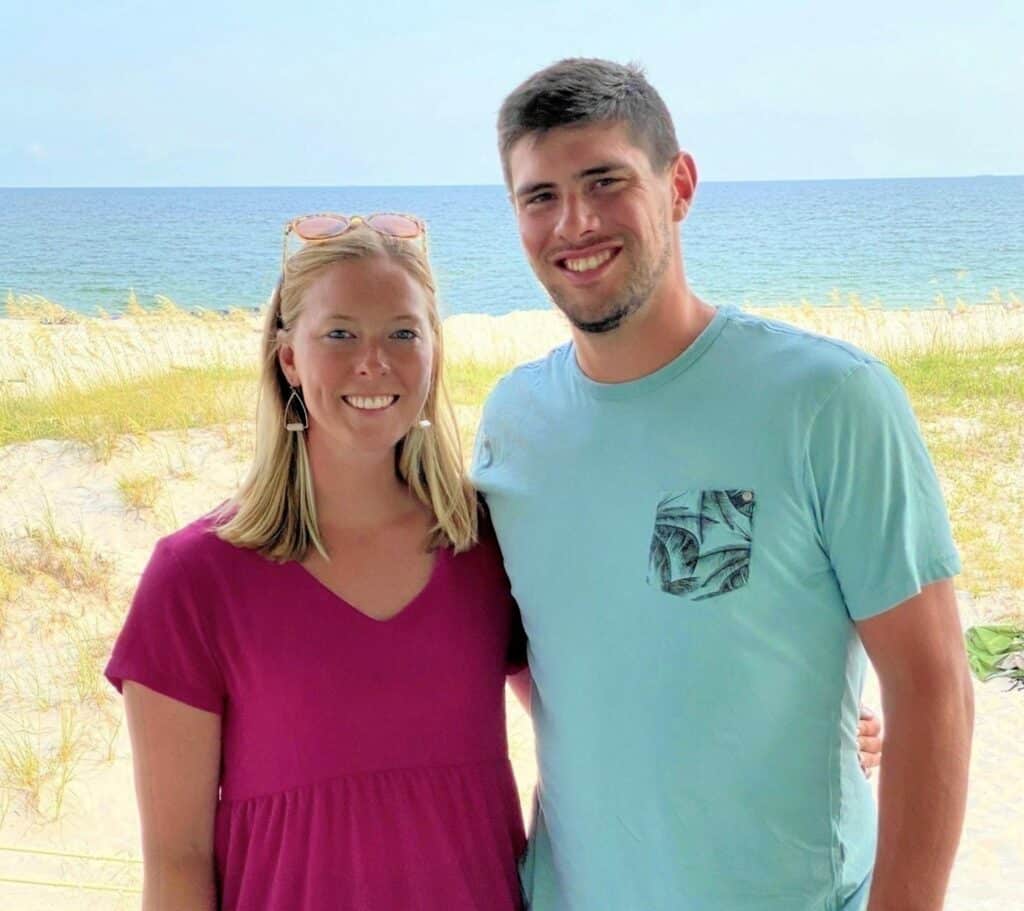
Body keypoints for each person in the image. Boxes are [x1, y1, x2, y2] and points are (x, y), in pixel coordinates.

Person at [472, 58, 974, 911]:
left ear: (680, 185)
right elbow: (540, 647)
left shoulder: (828, 399)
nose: (576, 222)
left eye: (606, 180)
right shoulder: (514, 420)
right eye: (540, 195)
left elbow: (934, 686)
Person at [104, 216, 528, 910]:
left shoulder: (490, 546)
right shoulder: (193, 578)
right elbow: (177, 863)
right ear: (289, 357)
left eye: (403, 331)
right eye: (339, 333)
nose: (374, 361)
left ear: (434, 353)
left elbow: (587, 734)